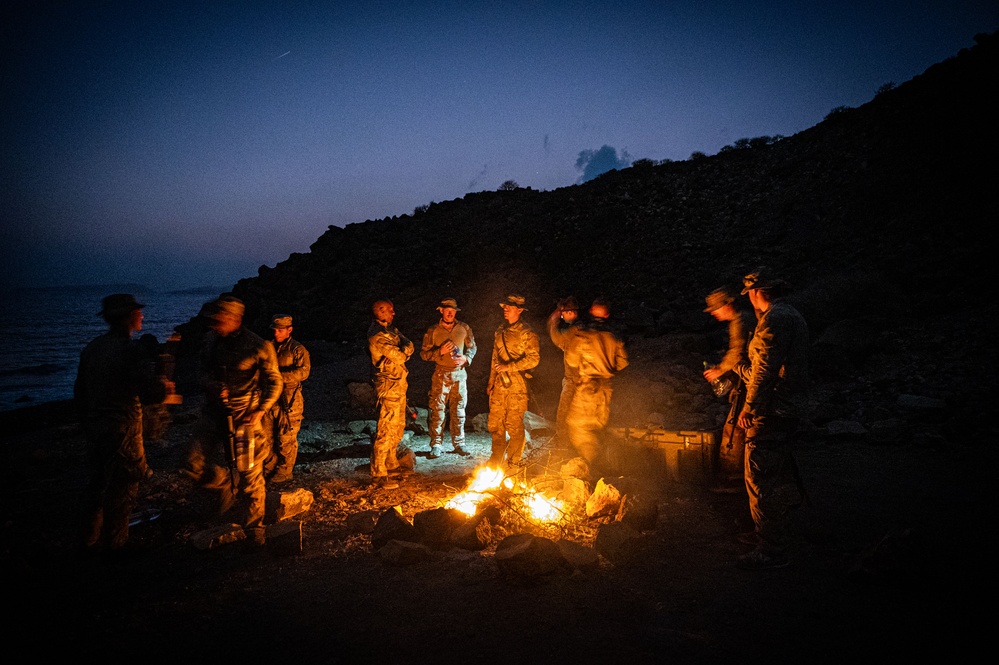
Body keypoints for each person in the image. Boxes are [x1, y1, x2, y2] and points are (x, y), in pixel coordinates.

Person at [74, 294, 173, 555]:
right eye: (137, 312)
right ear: (128, 317)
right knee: (124, 486)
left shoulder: (93, 348)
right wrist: (164, 386)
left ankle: (88, 539)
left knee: (97, 483)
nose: (141, 315)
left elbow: (80, 393)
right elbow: (151, 393)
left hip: (95, 429)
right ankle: (114, 545)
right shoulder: (130, 350)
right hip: (123, 429)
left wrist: (89, 422)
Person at [188, 295, 283, 546]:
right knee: (191, 464)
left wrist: (261, 411)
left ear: (235, 319)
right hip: (213, 412)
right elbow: (200, 372)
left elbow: (275, 381)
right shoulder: (210, 341)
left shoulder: (258, 345)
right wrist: (210, 384)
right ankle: (224, 483)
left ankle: (255, 532)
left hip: (245, 417)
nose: (215, 324)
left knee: (250, 475)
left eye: (220, 319)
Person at [732, 267, 810, 570]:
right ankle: (769, 533)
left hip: (772, 410)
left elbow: (764, 372)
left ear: (757, 292)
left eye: (750, 293)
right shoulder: (793, 315)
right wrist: (742, 370)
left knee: (760, 477)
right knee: (776, 474)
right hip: (789, 406)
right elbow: (777, 367)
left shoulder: (774, 319)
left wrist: (749, 408)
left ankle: (771, 549)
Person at [562, 298, 628, 479]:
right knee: (599, 428)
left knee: (578, 427)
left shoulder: (584, 336)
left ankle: (592, 471)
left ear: (591, 311)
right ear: (607, 315)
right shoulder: (614, 337)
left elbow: (572, 360)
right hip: (606, 390)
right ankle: (607, 468)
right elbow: (622, 363)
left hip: (587, 389)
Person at [702, 285, 756, 494]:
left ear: (727, 305)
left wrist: (719, 370)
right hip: (749, 382)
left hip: (749, 384)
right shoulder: (746, 318)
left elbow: (737, 352)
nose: (714, 313)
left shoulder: (740, 321)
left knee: (733, 430)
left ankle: (733, 480)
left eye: (716, 308)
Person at [486, 294, 540, 472]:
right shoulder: (499, 331)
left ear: (519, 310)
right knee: (495, 423)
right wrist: (491, 381)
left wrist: (510, 366)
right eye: (504, 307)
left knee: (515, 426)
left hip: (517, 384)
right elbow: (494, 357)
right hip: (500, 384)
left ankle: (513, 464)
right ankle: (495, 460)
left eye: (509, 307)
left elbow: (534, 359)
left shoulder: (527, 333)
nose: (505, 309)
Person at [420, 298, 477, 459]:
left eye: (453, 310)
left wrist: (466, 359)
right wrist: (440, 352)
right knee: (438, 410)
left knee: (459, 409)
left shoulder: (464, 328)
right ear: (441, 311)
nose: (450, 313)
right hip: (441, 374)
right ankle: (436, 444)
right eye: (447, 310)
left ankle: (459, 443)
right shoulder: (432, 331)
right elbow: (424, 354)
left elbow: (472, 347)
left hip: (459, 374)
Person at [368, 299, 414, 489]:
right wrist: (403, 351)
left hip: (398, 384)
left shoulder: (391, 331)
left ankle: (391, 462)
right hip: (388, 386)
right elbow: (401, 355)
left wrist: (404, 350)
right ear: (380, 311)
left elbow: (409, 345)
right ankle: (378, 472)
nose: (394, 313)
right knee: (386, 429)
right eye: (390, 310)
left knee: (398, 427)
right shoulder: (377, 336)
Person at [261, 314, 311, 484]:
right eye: (274, 330)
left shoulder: (297, 350)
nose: (276, 333)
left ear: (289, 330)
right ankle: (269, 467)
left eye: (280, 330)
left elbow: (304, 372)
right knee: (266, 436)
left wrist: (279, 377)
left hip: (289, 399)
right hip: (269, 399)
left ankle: (284, 471)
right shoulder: (268, 348)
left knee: (286, 438)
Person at [546, 296, 581, 449]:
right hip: (584, 380)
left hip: (575, 380)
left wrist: (552, 322)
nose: (561, 316)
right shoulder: (582, 328)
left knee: (564, 416)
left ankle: (564, 449)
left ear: (571, 312)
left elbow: (557, 338)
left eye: (563, 313)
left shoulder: (575, 330)